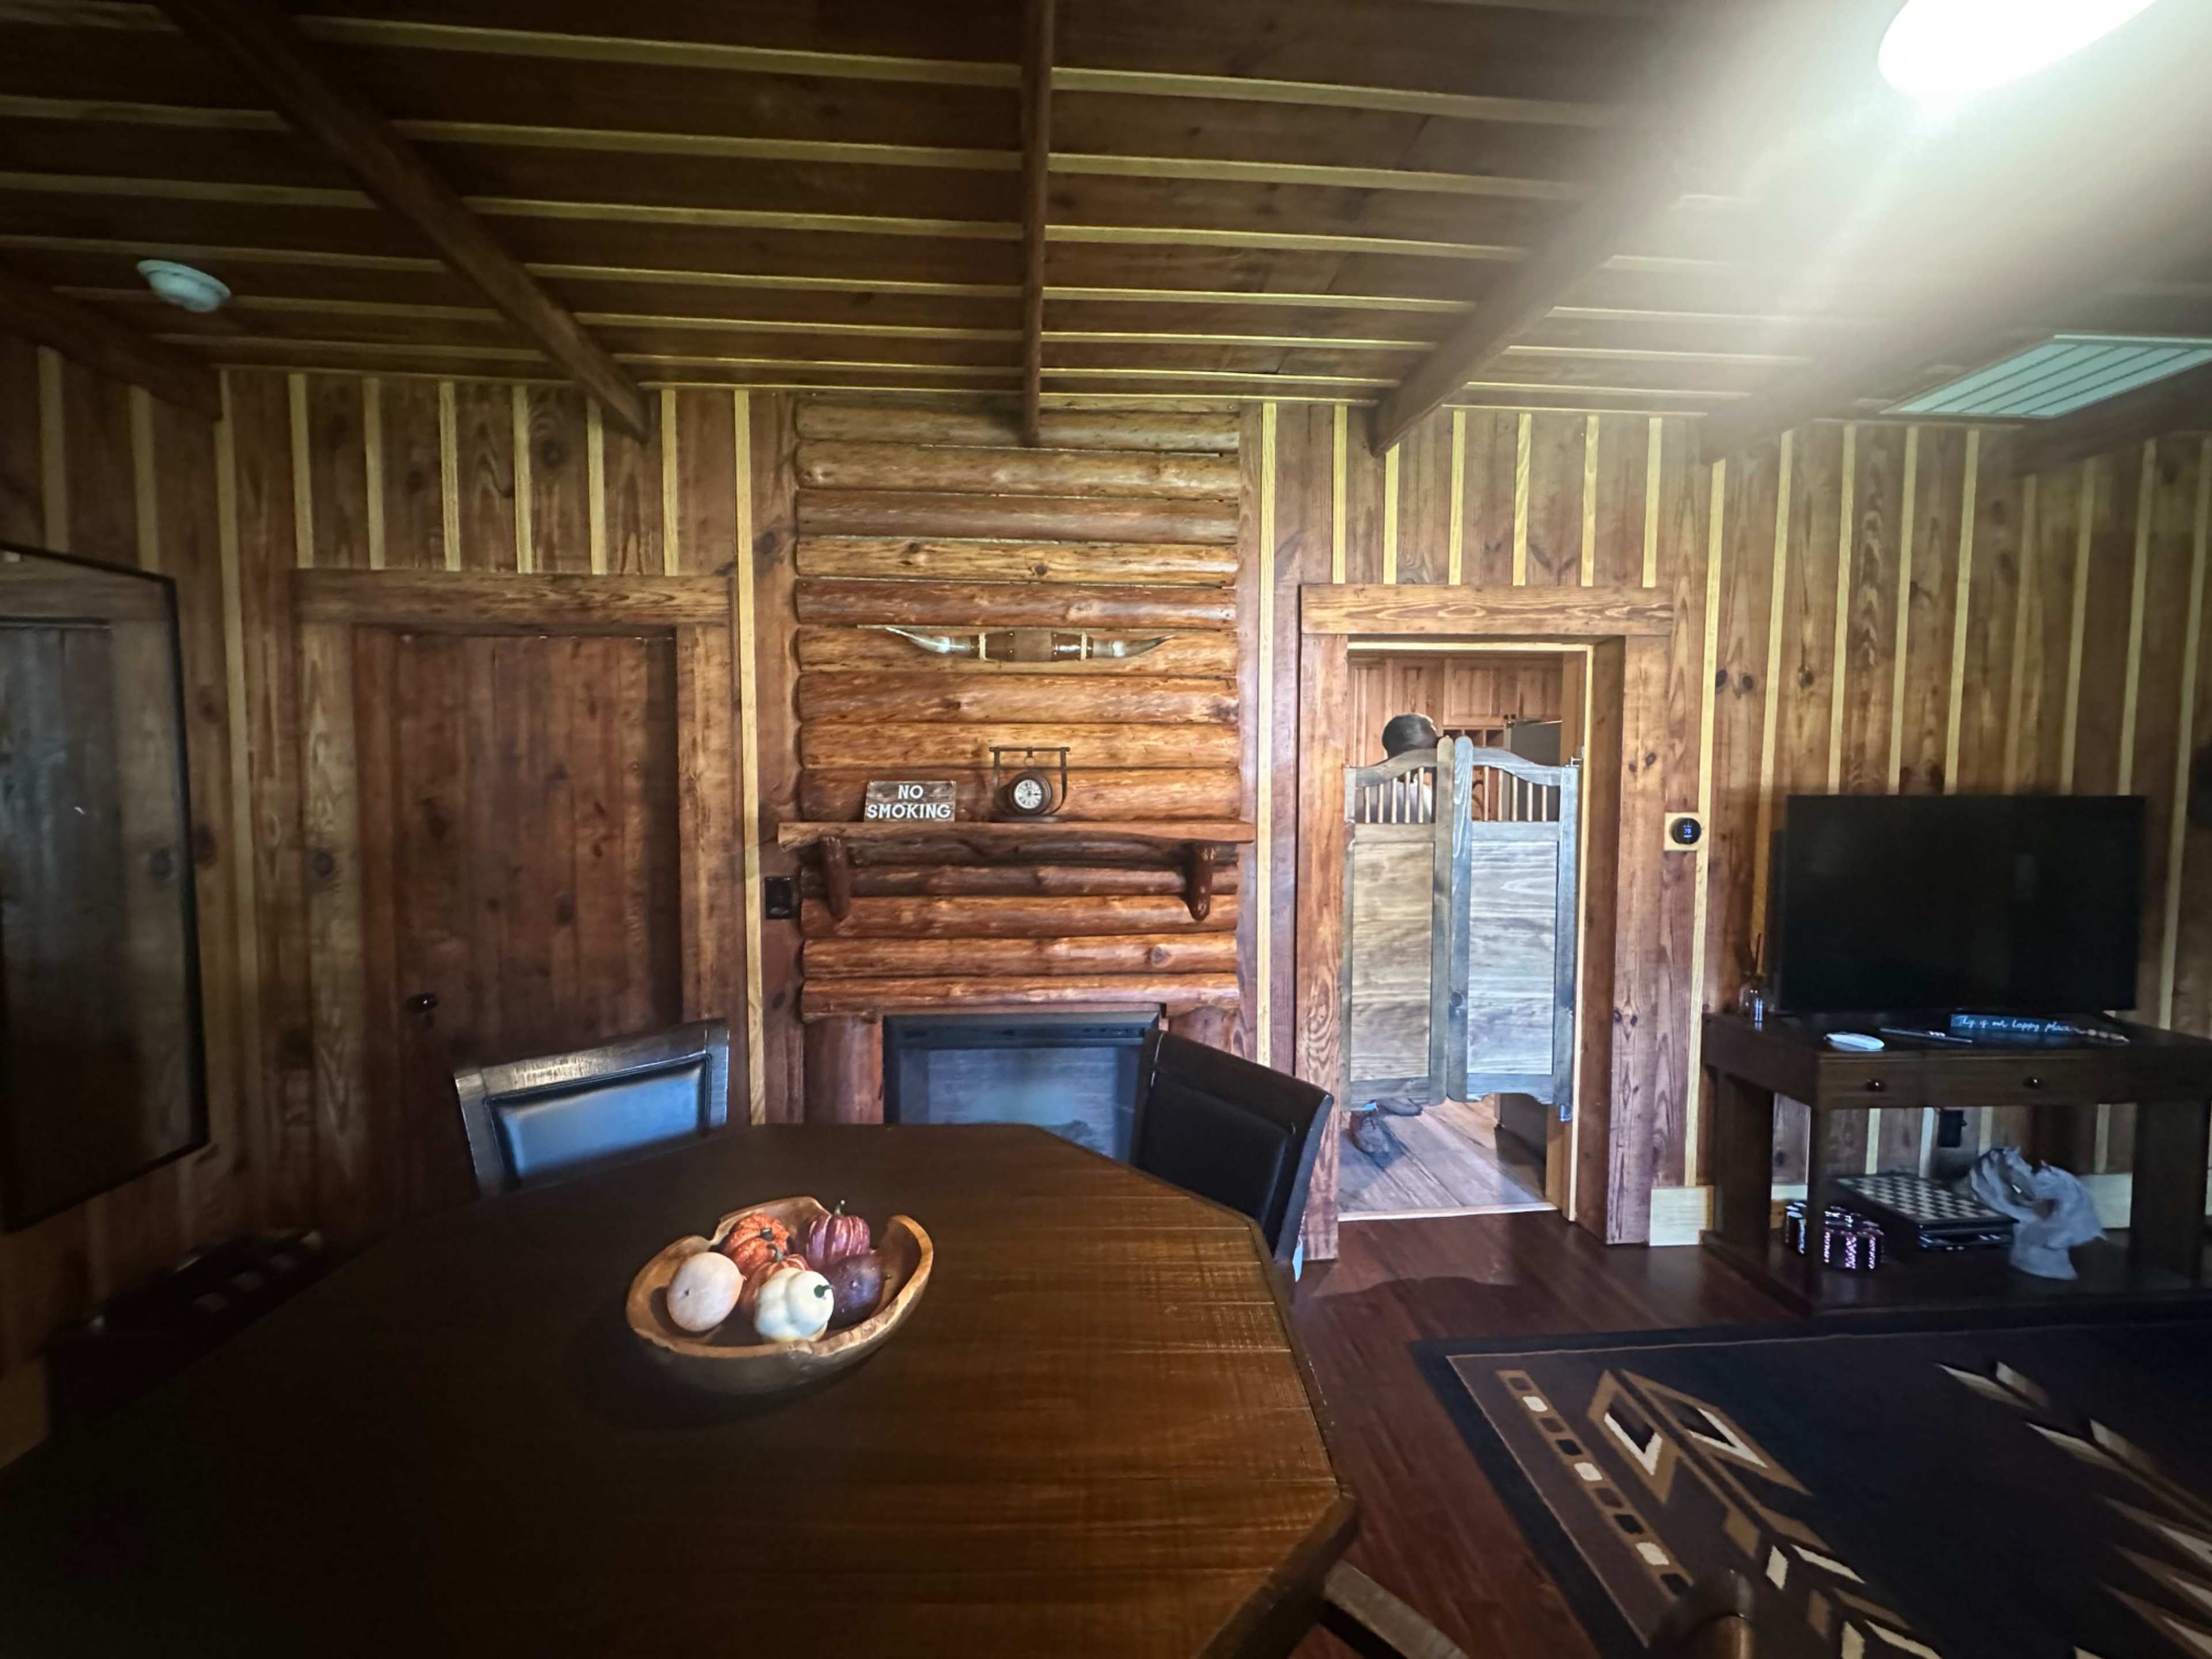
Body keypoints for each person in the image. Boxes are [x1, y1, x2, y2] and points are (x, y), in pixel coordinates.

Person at [1347, 713, 1441, 1161]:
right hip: (1396, 915)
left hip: (1378, 918)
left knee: (1380, 1011)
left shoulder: (1360, 789)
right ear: (1417, 749)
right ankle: (1372, 1101)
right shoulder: (1419, 798)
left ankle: (1377, 1094)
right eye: (1432, 745)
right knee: (1388, 1011)